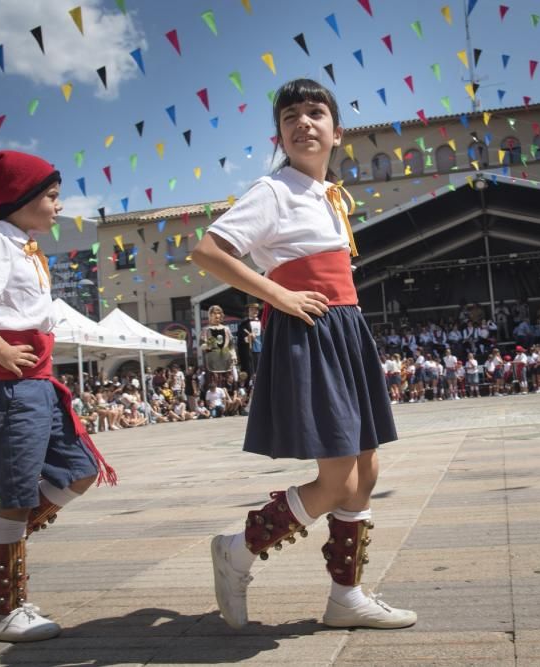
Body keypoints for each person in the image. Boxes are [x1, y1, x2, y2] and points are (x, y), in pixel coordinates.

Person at [191, 79, 415, 630]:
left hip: (343, 329)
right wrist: (278, 295)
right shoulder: (274, 190)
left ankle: (346, 597)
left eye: (316, 112)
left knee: (365, 467)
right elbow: (207, 251)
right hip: (309, 330)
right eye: (291, 115)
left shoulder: (327, 195)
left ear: (337, 132)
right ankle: (237, 550)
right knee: (337, 475)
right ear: (280, 135)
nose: (303, 122)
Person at [0, 150, 115, 642]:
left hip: (36, 381)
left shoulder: (22, 244)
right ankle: (3, 611)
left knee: (78, 470)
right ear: (21, 199)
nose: (59, 206)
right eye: (52, 196)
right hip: (10, 383)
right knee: (16, 494)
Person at [237, 302, 264, 379]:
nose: (254, 311)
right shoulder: (243, 324)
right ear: (248, 311)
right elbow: (240, 339)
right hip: (249, 352)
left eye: (256, 310)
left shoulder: (263, 323)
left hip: (261, 350)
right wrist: (247, 339)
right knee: (251, 371)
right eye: (252, 310)